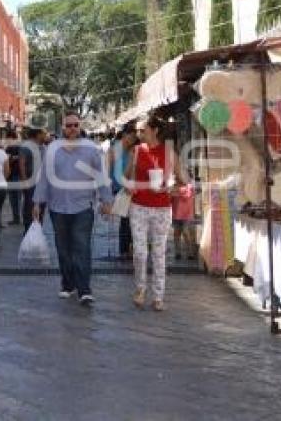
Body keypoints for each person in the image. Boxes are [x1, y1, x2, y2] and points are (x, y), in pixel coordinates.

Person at [32, 113, 112, 306]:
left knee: (82, 248)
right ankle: (68, 284)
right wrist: (37, 203)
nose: (72, 128)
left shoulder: (92, 149)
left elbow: (101, 176)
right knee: (63, 249)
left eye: (76, 125)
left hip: (83, 206)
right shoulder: (52, 149)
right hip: (57, 207)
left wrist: (106, 200)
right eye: (69, 125)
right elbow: (43, 178)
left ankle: (84, 289)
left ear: (80, 126)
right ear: (62, 127)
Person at [126, 115, 185, 312]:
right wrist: (130, 186)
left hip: (162, 207)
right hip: (139, 206)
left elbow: (184, 181)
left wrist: (173, 188)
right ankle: (140, 289)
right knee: (141, 252)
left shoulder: (168, 152)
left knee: (159, 253)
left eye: (142, 130)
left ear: (155, 130)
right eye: (137, 131)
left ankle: (158, 296)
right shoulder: (136, 151)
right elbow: (127, 177)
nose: (138, 134)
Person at [107, 123, 137, 259]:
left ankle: (128, 248)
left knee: (131, 219)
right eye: (130, 137)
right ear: (124, 135)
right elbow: (108, 172)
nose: (132, 140)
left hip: (130, 188)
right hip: (119, 189)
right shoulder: (114, 150)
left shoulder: (133, 150)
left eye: (134, 138)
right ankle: (124, 249)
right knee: (126, 219)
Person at [20, 127, 46, 230]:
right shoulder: (26, 147)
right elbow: (22, 164)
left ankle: (38, 229)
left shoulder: (43, 147)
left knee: (41, 208)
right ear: (38, 134)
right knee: (29, 208)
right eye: (44, 133)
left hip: (42, 183)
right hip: (31, 184)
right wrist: (25, 181)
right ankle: (29, 231)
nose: (45, 136)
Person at [5, 130, 22, 225]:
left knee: (14, 198)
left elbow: (7, 160)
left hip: (13, 175)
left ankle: (16, 218)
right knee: (17, 198)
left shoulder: (10, 148)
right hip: (17, 175)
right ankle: (17, 217)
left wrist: (11, 159)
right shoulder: (20, 146)